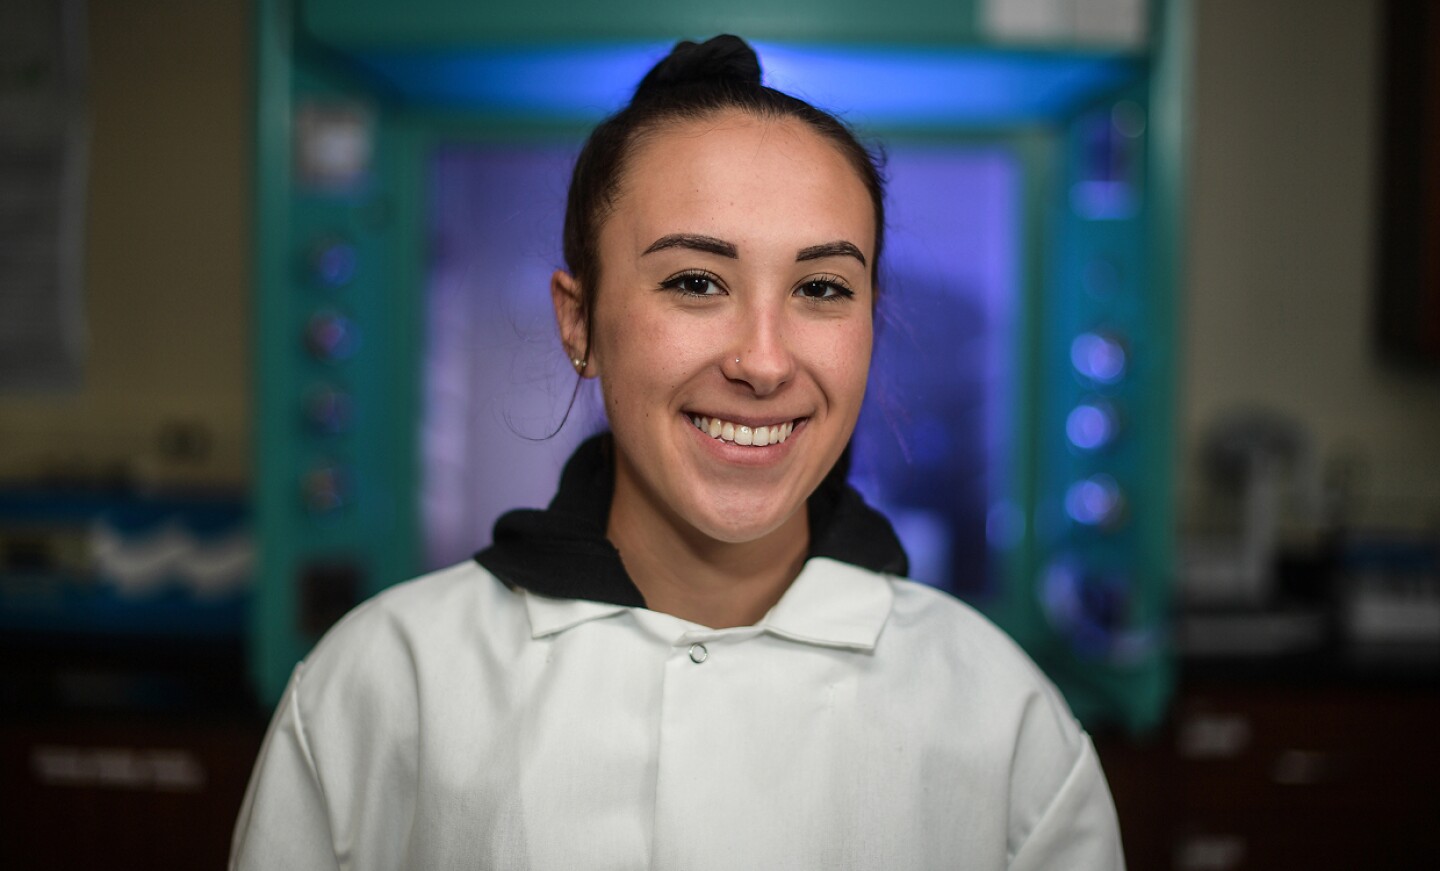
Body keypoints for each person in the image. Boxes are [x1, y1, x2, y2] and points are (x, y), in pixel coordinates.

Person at [230, 35, 1125, 870]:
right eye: (696, 282)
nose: (764, 361)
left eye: (822, 287)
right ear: (578, 321)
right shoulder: (385, 688)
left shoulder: (1003, 726)